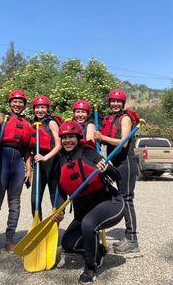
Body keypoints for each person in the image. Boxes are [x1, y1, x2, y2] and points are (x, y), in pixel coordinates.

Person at [53, 120, 124, 285]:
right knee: (68, 243)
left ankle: (91, 267)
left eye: (71, 137)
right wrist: (59, 210)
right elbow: (62, 192)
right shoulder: (59, 161)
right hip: (84, 209)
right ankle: (98, 251)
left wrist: (107, 168)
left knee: (88, 224)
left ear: (78, 137)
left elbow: (116, 176)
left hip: (109, 203)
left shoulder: (88, 153)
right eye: (64, 137)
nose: (67, 141)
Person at [94, 89, 139, 254]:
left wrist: (102, 138)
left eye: (118, 102)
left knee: (127, 199)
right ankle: (128, 236)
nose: (115, 104)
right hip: (116, 162)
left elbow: (124, 143)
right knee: (117, 196)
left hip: (126, 162)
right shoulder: (110, 118)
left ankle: (132, 239)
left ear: (123, 104)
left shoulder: (125, 118)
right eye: (112, 101)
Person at [0, 90, 31, 253]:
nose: (17, 104)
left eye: (21, 102)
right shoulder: (0, 117)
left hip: (18, 163)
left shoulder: (27, 123)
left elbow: (27, 149)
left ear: (24, 105)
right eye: (15, 101)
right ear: (10, 103)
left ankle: (10, 240)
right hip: (2, 161)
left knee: (15, 203)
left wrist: (28, 169)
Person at [30, 95, 62, 218]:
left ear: (47, 109)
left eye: (43, 107)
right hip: (38, 162)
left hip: (52, 161)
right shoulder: (32, 123)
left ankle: (55, 227)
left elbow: (59, 145)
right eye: (37, 107)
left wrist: (45, 157)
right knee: (35, 199)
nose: (40, 110)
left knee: (54, 197)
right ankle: (38, 225)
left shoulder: (52, 122)